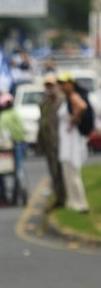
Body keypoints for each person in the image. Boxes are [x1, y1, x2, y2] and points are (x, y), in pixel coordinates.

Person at [56, 72, 90, 213]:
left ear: (71, 83)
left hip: (72, 140)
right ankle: (73, 202)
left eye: (64, 83)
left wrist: (73, 120)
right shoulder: (66, 98)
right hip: (66, 140)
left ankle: (81, 203)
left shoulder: (73, 96)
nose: (62, 86)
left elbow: (82, 106)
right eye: (61, 84)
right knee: (68, 172)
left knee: (73, 172)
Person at [37, 74, 66, 209]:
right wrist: (40, 141)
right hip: (49, 142)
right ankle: (59, 197)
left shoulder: (62, 101)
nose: (49, 88)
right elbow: (42, 122)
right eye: (47, 85)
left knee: (62, 171)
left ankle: (64, 197)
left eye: (51, 85)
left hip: (61, 141)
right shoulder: (44, 102)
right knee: (53, 171)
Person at [0, 93, 26, 206]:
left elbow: (2, 133)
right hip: (17, 144)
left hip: (6, 147)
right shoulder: (16, 114)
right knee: (17, 170)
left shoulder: (3, 116)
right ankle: (15, 196)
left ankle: (4, 194)